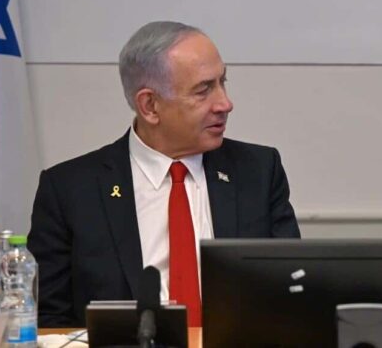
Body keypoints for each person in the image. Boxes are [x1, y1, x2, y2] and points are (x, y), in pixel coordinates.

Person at [28, 21, 300, 327]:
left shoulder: (258, 171)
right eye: (204, 90)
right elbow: (49, 320)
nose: (225, 103)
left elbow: (291, 294)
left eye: (222, 82)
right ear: (150, 106)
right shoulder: (70, 190)